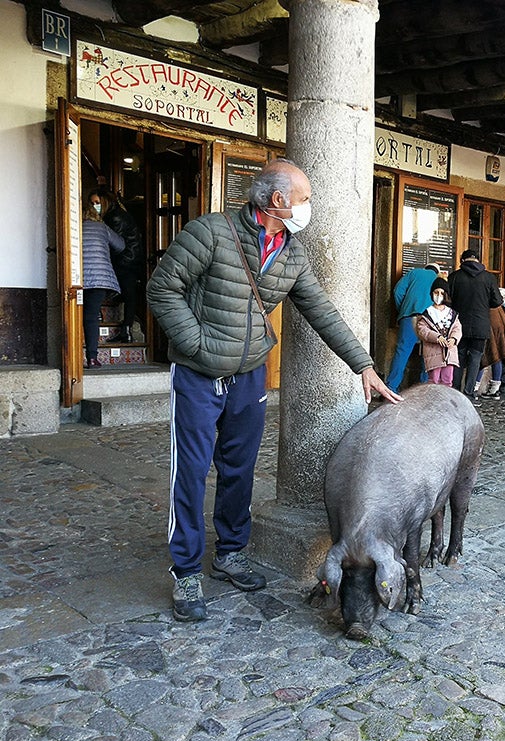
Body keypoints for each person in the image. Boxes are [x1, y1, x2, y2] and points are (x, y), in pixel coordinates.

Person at [146, 158, 400, 623]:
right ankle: (185, 570)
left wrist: (363, 365)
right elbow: (163, 289)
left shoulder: (290, 253)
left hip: (249, 376)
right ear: (277, 200)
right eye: (304, 198)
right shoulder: (210, 233)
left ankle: (230, 552)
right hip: (199, 376)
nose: (309, 206)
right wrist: (197, 344)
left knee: (239, 468)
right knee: (191, 473)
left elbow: (321, 311)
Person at [90, 189, 146, 343]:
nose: (95, 206)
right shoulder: (118, 214)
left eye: (97, 203)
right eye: (93, 203)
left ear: (105, 202)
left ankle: (125, 329)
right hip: (130, 260)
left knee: (127, 295)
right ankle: (126, 330)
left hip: (125, 261)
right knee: (129, 295)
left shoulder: (114, 217)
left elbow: (114, 243)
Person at [448, 249, 505, 401]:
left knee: (458, 358)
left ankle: (456, 393)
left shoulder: (455, 276)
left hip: (459, 325)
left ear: (462, 260)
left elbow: (448, 300)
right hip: (481, 325)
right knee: (475, 359)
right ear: (478, 260)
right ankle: (469, 393)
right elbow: (498, 301)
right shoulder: (488, 277)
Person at [82, 194, 125, 368]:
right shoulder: (101, 227)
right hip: (100, 279)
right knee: (91, 317)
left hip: (79, 278)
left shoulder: (72, 229)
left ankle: (72, 355)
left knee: (74, 316)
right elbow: (121, 245)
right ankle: (92, 358)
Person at [386, 262, 441, 392]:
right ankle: (423, 388)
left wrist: (403, 309)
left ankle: (391, 388)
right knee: (428, 354)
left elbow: (397, 291)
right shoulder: (438, 280)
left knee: (402, 352)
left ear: (425, 267)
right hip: (430, 319)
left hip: (409, 317)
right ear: (436, 271)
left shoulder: (414, 273)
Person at [415, 277, 461, 387]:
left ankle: (445, 403)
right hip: (433, 352)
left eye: (441, 293)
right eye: (436, 292)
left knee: (447, 380)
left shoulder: (452, 313)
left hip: (449, 352)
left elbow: (457, 328)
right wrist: (436, 337)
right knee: (433, 381)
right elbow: (423, 330)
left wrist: (454, 339)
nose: (438, 295)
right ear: (432, 293)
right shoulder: (427, 313)